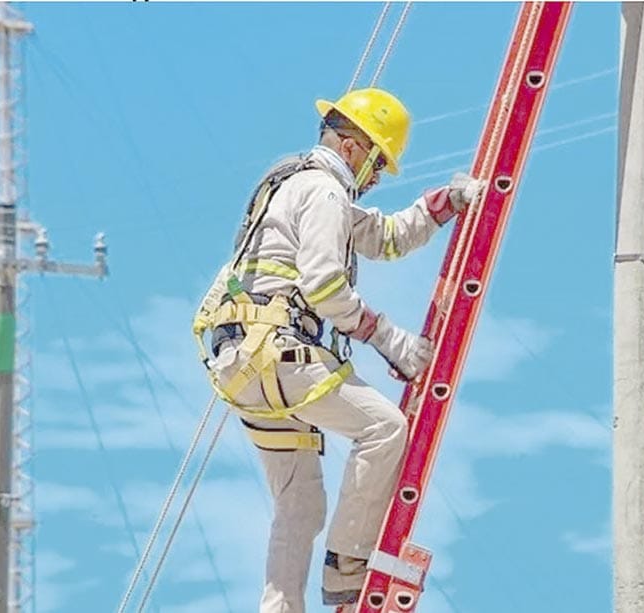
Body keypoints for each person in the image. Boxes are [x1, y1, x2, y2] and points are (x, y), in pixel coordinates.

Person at [195, 87, 484, 612]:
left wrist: (445, 204)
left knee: (299, 506)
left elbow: (387, 237)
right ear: (355, 147)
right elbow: (326, 285)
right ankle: (347, 564)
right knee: (384, 428)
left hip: (242, 366)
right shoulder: (325, 192)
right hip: (277, 353)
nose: (375, 179)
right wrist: (390, 339)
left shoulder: (295, 186)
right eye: (378, 164)